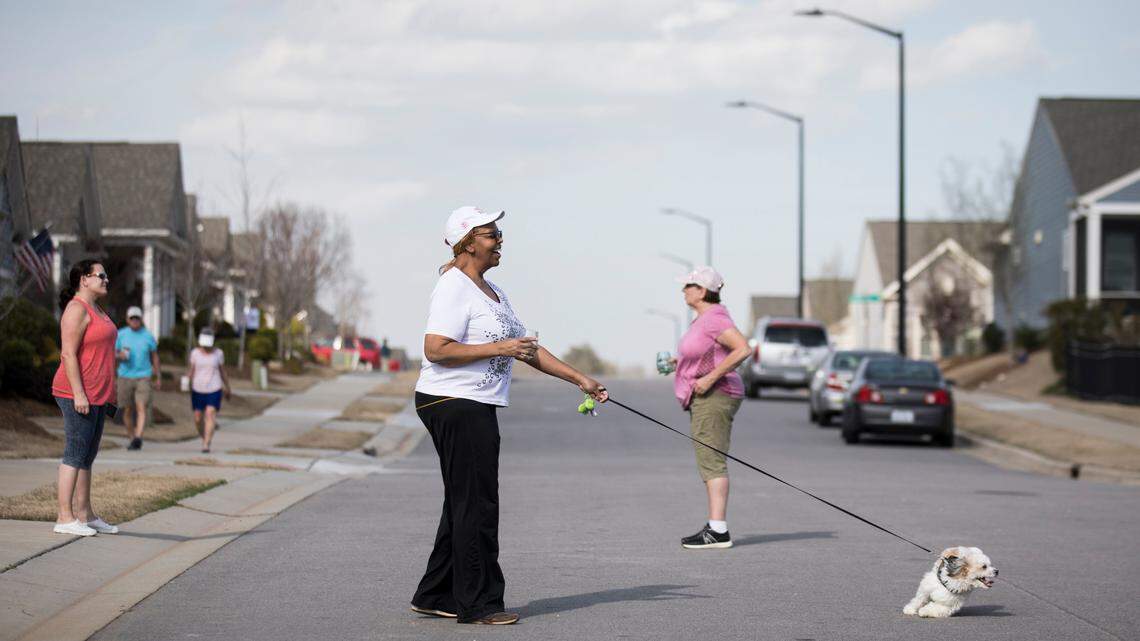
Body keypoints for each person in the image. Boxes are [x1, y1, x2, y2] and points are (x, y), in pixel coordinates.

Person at [411, 206, 608, 625]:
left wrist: (580, 378)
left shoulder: (494, 292)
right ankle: (480, 604)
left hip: (472, 403)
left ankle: (435, 593)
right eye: (491, 234)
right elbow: (436, 349)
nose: (500, 240)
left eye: (500, 233)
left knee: (464, 500)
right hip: (452, 402)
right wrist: (498, 349)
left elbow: (528, 348)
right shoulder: (454, 287)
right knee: (477, 503)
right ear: (467, 242)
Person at [670, 266, 751, 549]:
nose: (683, 290)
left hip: (716, 395)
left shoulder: (715, 318)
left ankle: (718, 530)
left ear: (702, 291)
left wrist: (709, 378)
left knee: (711, 460)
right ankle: (715, 527)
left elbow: (743, 348)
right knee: (708, 458)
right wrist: (677, 364)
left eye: (688, 285)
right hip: (706, 395)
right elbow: (706, 354)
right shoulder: (704, 319)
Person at [51, 259, 119, 536]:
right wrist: (79, 393)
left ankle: (85, 514)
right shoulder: (76, 309)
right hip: (76, 392)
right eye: (100, 275)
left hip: (98, 395)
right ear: (83, 279)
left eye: (106, 275)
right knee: (75, 453)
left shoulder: (98, 309)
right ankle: (64, 517)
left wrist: (109, 394)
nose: (106, 279)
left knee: (87, 456)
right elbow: (68, 354)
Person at [115, 305, 161, 450]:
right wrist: (119, 356)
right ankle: (132, 438)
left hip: (144, 376)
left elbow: (154, 356)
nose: (135, 320)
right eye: (132, 318)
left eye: (137, 318)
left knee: (141, 407)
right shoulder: (120, 334)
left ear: (141, 319)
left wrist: (158, 376)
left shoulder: (148, 336)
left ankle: (139, 436)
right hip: (124, 376)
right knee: (127, 410)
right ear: (127, 320)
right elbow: (111, 354)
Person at [188, 331, 230, 453]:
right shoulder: (195, 353)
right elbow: (192, 370)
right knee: (197, 418)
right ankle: (205, 437)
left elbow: (222, 371)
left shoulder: (218, 354)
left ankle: (206, 443)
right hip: (198, 388)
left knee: (210, 413)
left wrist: (227, 387)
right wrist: (187, 381)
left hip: (214, 387)